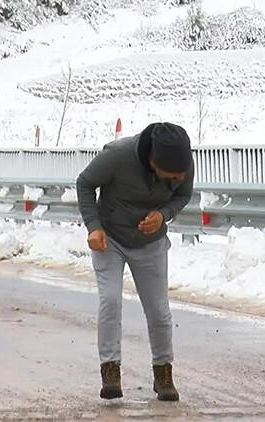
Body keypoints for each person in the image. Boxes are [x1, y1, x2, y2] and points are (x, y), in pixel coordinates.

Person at [77, 122, 194, 400]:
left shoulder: (182, 162)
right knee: (110, 301)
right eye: (173, 173)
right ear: (153, 162)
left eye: (182, 171)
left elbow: (183, 195)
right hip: (109, 238)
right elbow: (85, 183)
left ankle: (163, 374)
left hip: (150, 242)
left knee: (159, 310)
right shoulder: (118, 155)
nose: (180, 176)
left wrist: (163, 215)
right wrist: (93, 227)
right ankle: (110, 370)